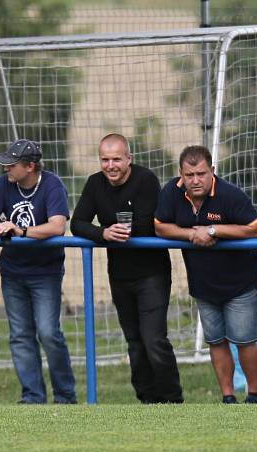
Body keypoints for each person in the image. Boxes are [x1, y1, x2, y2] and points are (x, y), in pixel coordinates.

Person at [71, 133, 183, 404]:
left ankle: (173, 400)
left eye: (116, 159)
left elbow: (151, 223)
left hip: (152, 273)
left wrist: (124, 231)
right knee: (134, 341)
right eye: (105, 159)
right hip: (119, 276)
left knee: (154, 340)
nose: (110, 165)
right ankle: (147, 399)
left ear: (129, 159)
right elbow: (77, 223)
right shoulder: (94, 184)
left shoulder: (146, 180)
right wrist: (103, 234)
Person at [154, 145, 257, 404]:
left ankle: (255, 395)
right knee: (216, 340)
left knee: (245, 341)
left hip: (241, 283)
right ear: (180, 174)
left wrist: (213, 230)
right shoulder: (171, 192)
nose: (195, 180)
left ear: (212, 171)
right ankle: (228, 397)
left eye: (201, 174)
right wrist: (191, 233)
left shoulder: (230, 195)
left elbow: (254, 228)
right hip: (203, 284)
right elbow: (159, 226)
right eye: (189, 175)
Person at [0, 139, 77, 404]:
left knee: (48, 333)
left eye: (12, 164)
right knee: (20, 336)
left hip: (46, 273)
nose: (6, 168)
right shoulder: (3, 185)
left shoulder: (52, 184)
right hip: (13, 272)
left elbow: (57, 227)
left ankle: (65, 396)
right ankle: (32, 396)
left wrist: (20, 231)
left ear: (30, 166)